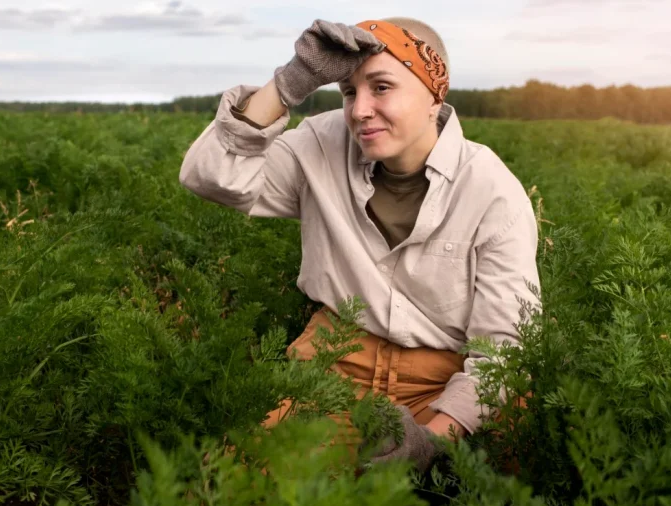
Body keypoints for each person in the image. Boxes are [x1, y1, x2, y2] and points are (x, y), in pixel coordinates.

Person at [179, 17, 541, 473]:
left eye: (381, 87)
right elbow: (211, 177)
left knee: (474, 495)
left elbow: (504, 352)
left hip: (442, 382)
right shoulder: (321, 143)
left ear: (435, 95)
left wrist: (431, 439)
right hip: (333, 365)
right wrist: (291, 81)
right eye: (349, 91)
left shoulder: (491, 191)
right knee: (237, 490)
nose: (359, 110)